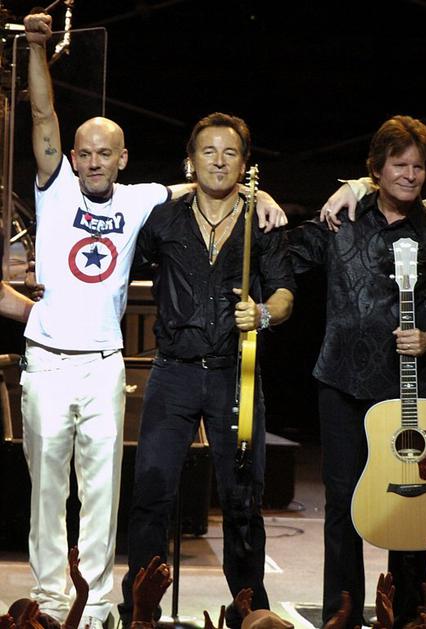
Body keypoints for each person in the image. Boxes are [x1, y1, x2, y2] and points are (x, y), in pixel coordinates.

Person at [21, 12, 287, 629]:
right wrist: (36, 47)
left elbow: (208, 184)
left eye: (104, 153)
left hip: (106, 363)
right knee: (48, 492)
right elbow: (42, 117)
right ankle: (53, 600)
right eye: (84, 153)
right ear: (72, 157)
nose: (92, 162)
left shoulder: (143, 199)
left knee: (104, 494)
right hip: (48, 362)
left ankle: (99, 605)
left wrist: (259, 194)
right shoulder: (55, 189)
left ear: (123, 158)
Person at [286, 115, 426, 628]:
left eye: (419, 167)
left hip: (411, 394)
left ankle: (410, 617)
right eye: (399, 165)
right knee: (343, 505)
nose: (410, 176)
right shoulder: (342, 219)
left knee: (411, 509)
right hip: (343, 384)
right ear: (376, 168)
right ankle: (341, 616)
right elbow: (285, 257)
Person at [117, 111, 295, 629]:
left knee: (243, 499)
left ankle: (249, 612)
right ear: (190, 161)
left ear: (245, 162)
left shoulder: (262, 223)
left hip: (233, 374)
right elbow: (122, 260)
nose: (219, 161)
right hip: (172, 373)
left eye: (230, 152)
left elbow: (285, 293)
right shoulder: (163, 220)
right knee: (151, 493)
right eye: (208, 151)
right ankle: (141, 609)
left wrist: (263, 313)